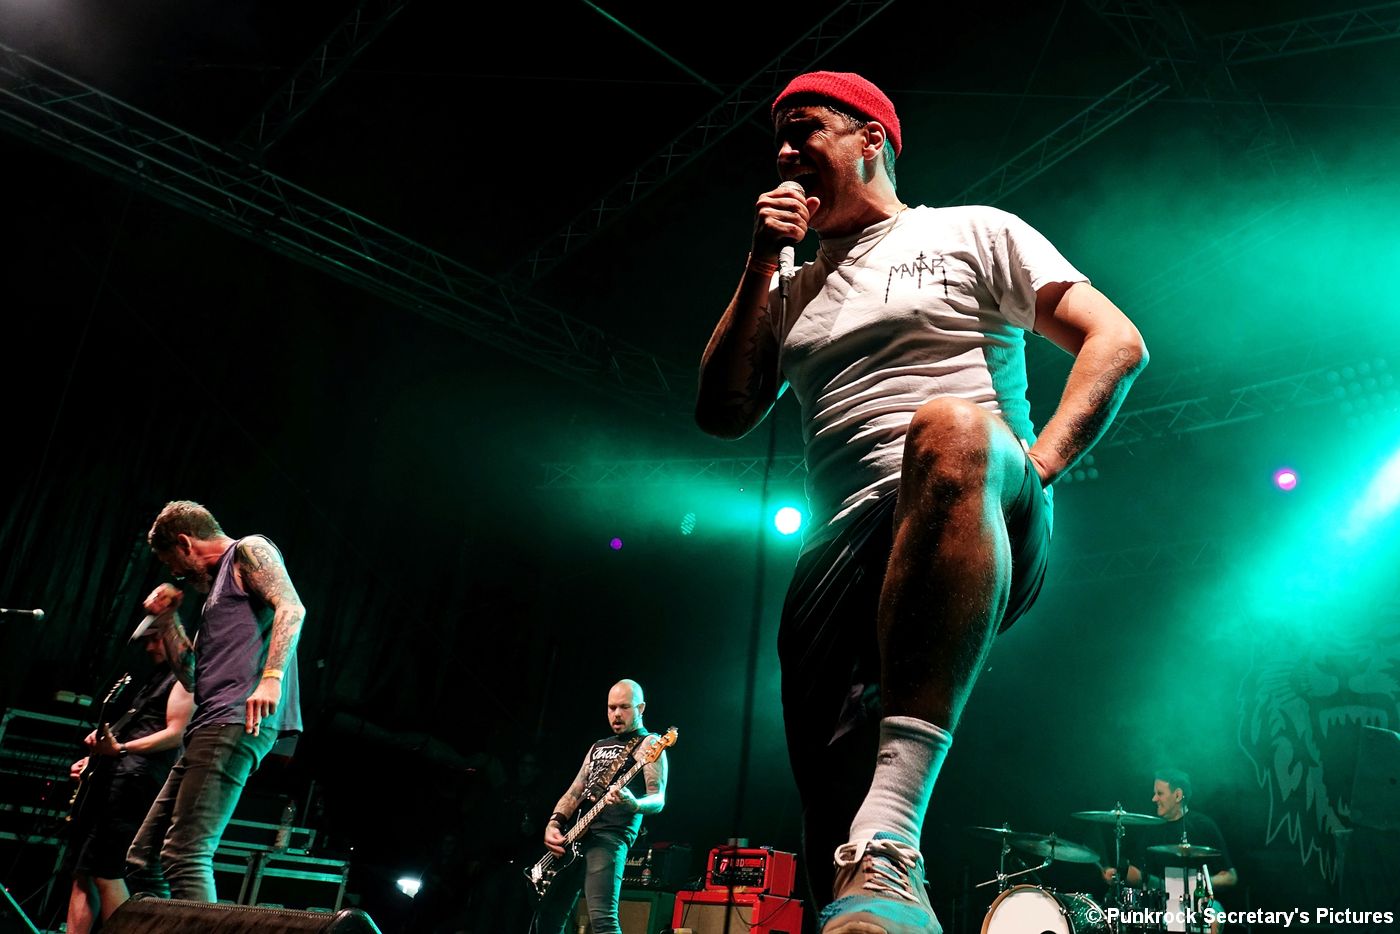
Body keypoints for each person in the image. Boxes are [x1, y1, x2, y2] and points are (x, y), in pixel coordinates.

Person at [695, 71, 1148, 933]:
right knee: (834, 826)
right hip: (840, 546)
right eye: (778, 139)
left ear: (872, 138)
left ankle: (897, 828)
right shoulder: (790, 286)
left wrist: (1036, 467)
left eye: (805, 128)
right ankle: (877, 898)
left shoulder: (970, 230)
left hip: (981, 490)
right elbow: (721, 412)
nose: (785, 152)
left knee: (951, 426)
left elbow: (1116, 340)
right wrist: (760, 262)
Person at [125, 500, 306, 902]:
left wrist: (271, 679)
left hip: (236, 718)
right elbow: (191, 676)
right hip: (209, 723)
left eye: (172, 562)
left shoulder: (249, 550)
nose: (175, 574)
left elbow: (292, 607)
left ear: (186, 542)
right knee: (143, 858)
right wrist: (168, 618)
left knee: (185, 855)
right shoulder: (215, 597)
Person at [64, 632, 193, 933]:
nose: (149, 647)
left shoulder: (184, 676)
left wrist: (120, 748)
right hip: (114, 776)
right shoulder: (153, 678)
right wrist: (97, 758)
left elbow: (176, 734)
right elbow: (136, 730)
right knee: (83, 871)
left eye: (156, 639)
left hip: (135, 782)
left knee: (107, 871)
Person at [532, 680, 668, 934]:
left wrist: (634, 803)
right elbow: (575, 792)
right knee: (547, 918)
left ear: (641, 708)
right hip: (574, 838)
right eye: (611, 707)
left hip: (610, 838)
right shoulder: (598, 746)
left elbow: (658, 799)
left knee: (603, 920)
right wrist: (554, 823)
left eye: (624, 707)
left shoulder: (649, 744)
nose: (616, 714)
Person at [1103, 770, 1237, 925]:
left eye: (1159, 793)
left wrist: (1199, 885)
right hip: (1162, 904)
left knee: (1214, 918)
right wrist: (1118, 874)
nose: (1154, 799)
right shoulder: (1152, 829)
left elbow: (1230, 877)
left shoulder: (1203, 826)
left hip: (1201, 902)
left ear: (1178, 795)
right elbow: (1141, 876)